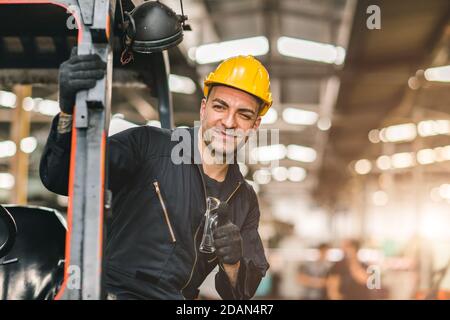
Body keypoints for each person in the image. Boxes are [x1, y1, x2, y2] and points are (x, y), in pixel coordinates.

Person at [39, 51, 271, 300]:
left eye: (243, 115)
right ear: (204, 109)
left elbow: (239, 295)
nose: (228, 122)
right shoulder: (148, 146)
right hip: (113, 293)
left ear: (255, 125)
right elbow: (61, 176)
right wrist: (67, 113)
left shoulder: (244, 199)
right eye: (220, 107)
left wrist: (233, 263)